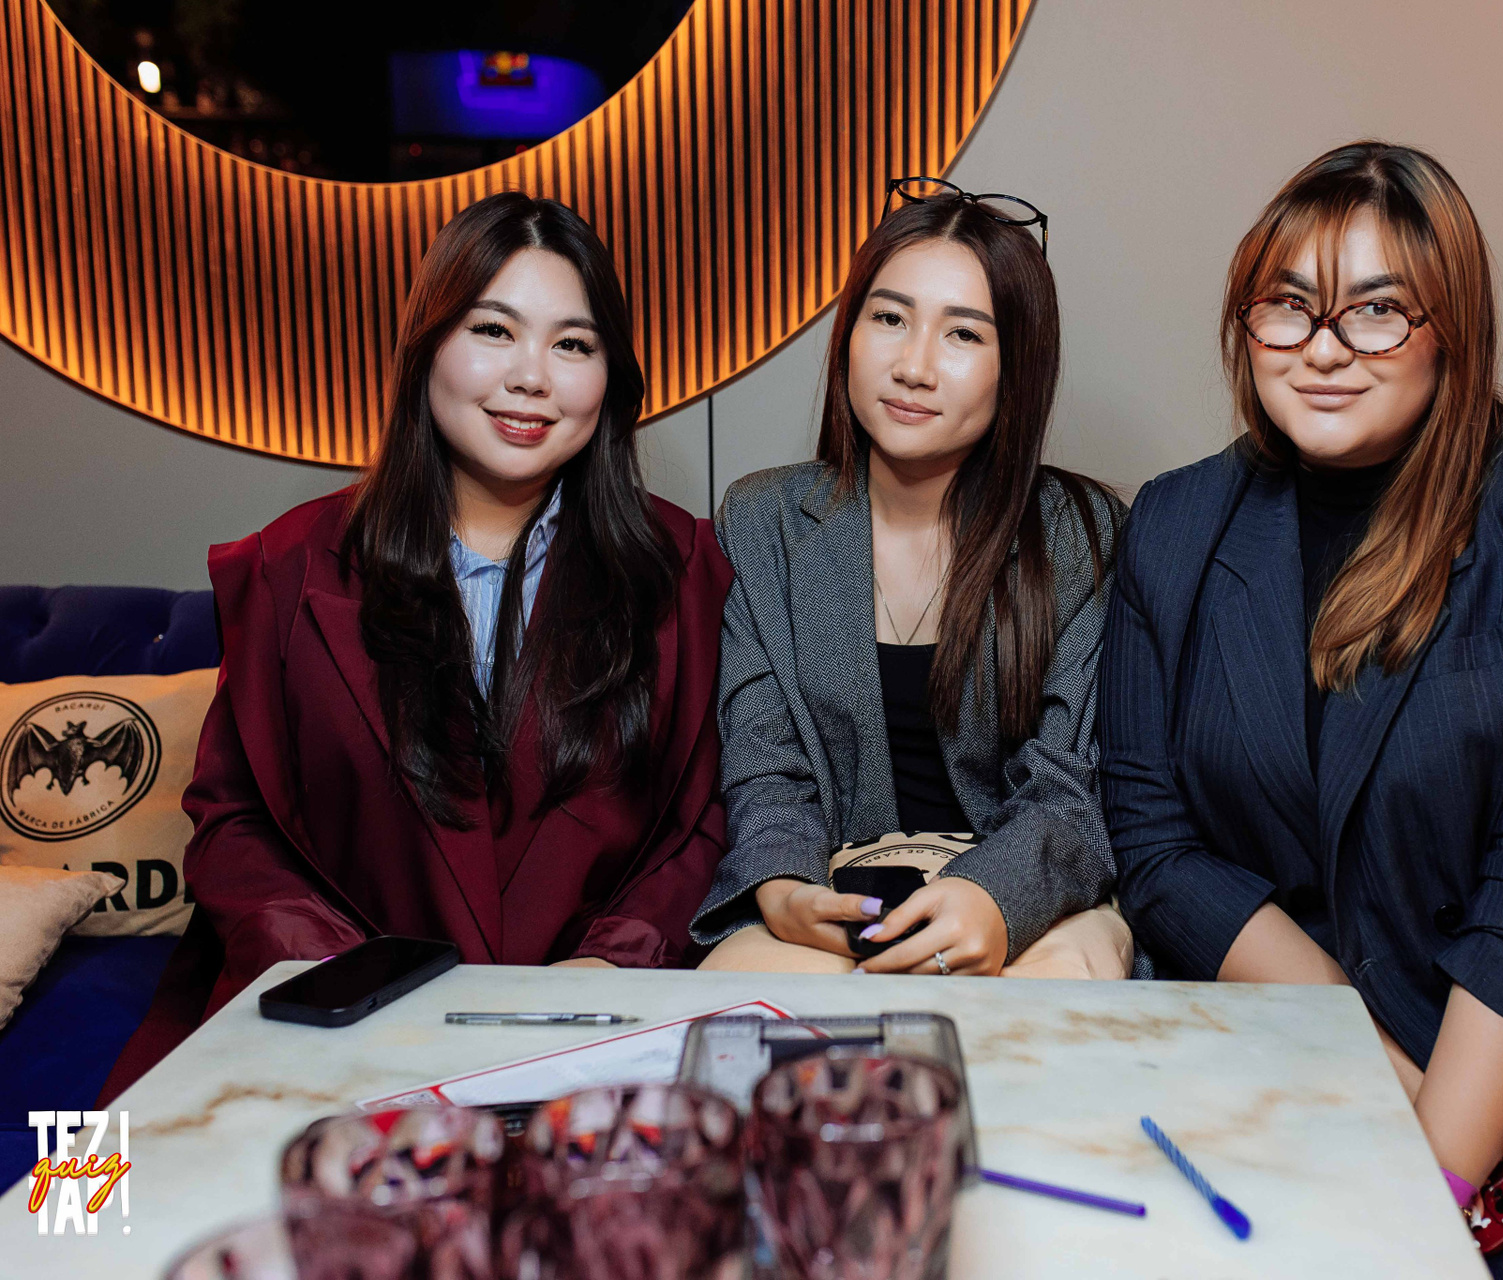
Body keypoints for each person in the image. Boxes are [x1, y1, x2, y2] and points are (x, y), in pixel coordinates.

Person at [1098, 142, 1503, 1276]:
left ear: (1451, 328)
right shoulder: (1175, 521)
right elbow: (1158, 846)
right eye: (1289, 305)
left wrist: (1426, 1184)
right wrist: (1363, 1058)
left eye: (1377, 310)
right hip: (1306, 1032)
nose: (1323, 348)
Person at [100, 192, 732, 1100]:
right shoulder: (289, 566)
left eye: (573, 344)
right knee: (97, 1183)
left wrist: (610, 968)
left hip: (595, 1040)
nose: (531, 378)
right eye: (493, 330)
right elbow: (234, 822)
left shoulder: (685, 568)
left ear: (610, 375)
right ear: (427, 345)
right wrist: (349, 975)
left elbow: (700, 820)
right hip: (339, 1036)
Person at [690, 180, 1132, 978]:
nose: (914, 366)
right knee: (745, 986)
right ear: (848, 335)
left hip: (1025, 899)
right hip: (833, 890)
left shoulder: (1080, 531)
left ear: (1016, 367)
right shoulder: (763, 522)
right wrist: (784, 889)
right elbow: (765, 762)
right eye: (889, 318)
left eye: (963, 334)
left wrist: (991, 897)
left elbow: (1070, 784)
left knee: (1063, 979)